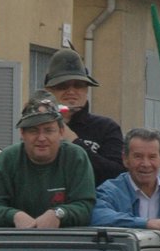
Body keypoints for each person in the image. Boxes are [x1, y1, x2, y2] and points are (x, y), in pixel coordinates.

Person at [0, 91, 95, 228]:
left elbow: (86, 206)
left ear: (61, 132)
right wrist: (13, 216)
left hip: (64, 243)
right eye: (33, 131)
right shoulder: (7, 159)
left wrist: (60, 213)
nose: (41, 138)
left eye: (48, 130)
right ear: (22, 134)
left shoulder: (75, 157)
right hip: (13, 244)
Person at [91, 128, 160, 235]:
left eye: (152, 157)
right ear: (125, 159)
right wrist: (148, 223)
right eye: (138, 156)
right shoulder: (110, 191)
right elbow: (96, 216)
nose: (146, 164)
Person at [44, 48, 124, 186]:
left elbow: (117, 175)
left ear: (86, 89)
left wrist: (74, 142)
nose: (71, 91)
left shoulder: (106, 128)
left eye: (78, 85)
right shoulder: (38, 127)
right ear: (49, 90)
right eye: (62, 85)